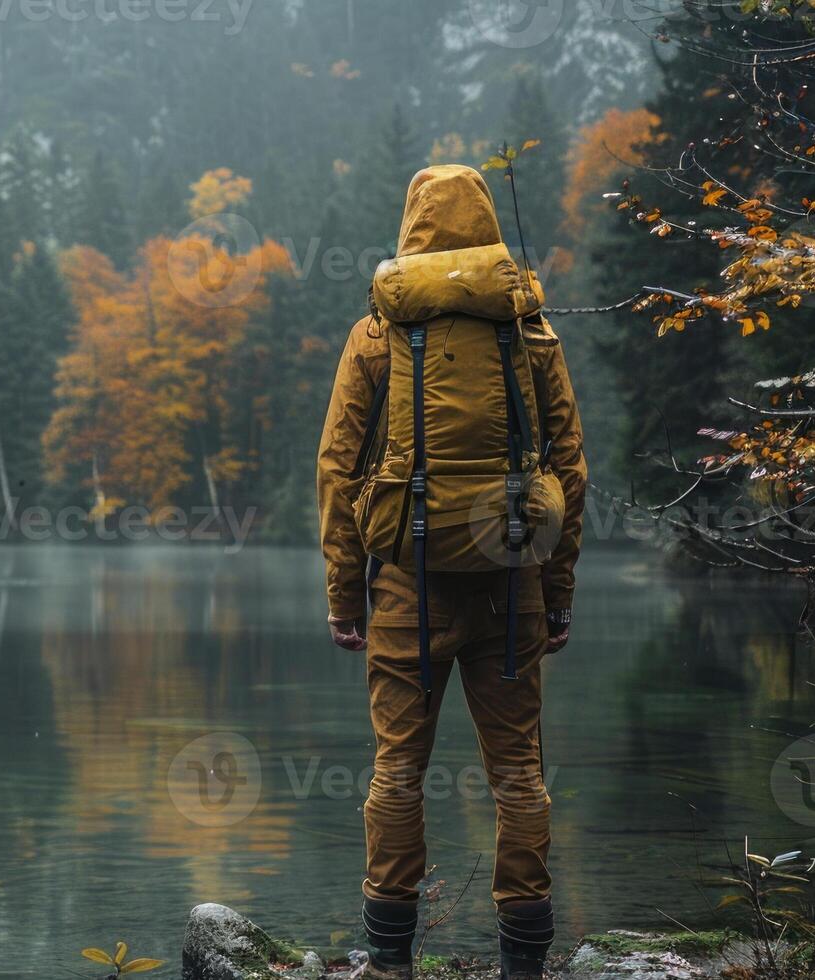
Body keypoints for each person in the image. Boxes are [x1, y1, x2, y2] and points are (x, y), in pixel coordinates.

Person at [315, 165, 585, 980]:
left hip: (407, 583)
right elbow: (570, 469)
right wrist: (558, 591)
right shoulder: (531, 331)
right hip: (513, 586)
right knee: (519, 774)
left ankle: (392, 960)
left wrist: (344, 595)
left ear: (413, 229)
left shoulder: (376, 336)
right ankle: (525, 963)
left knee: (398, 769)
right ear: (488, 226)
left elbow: (336, 469)